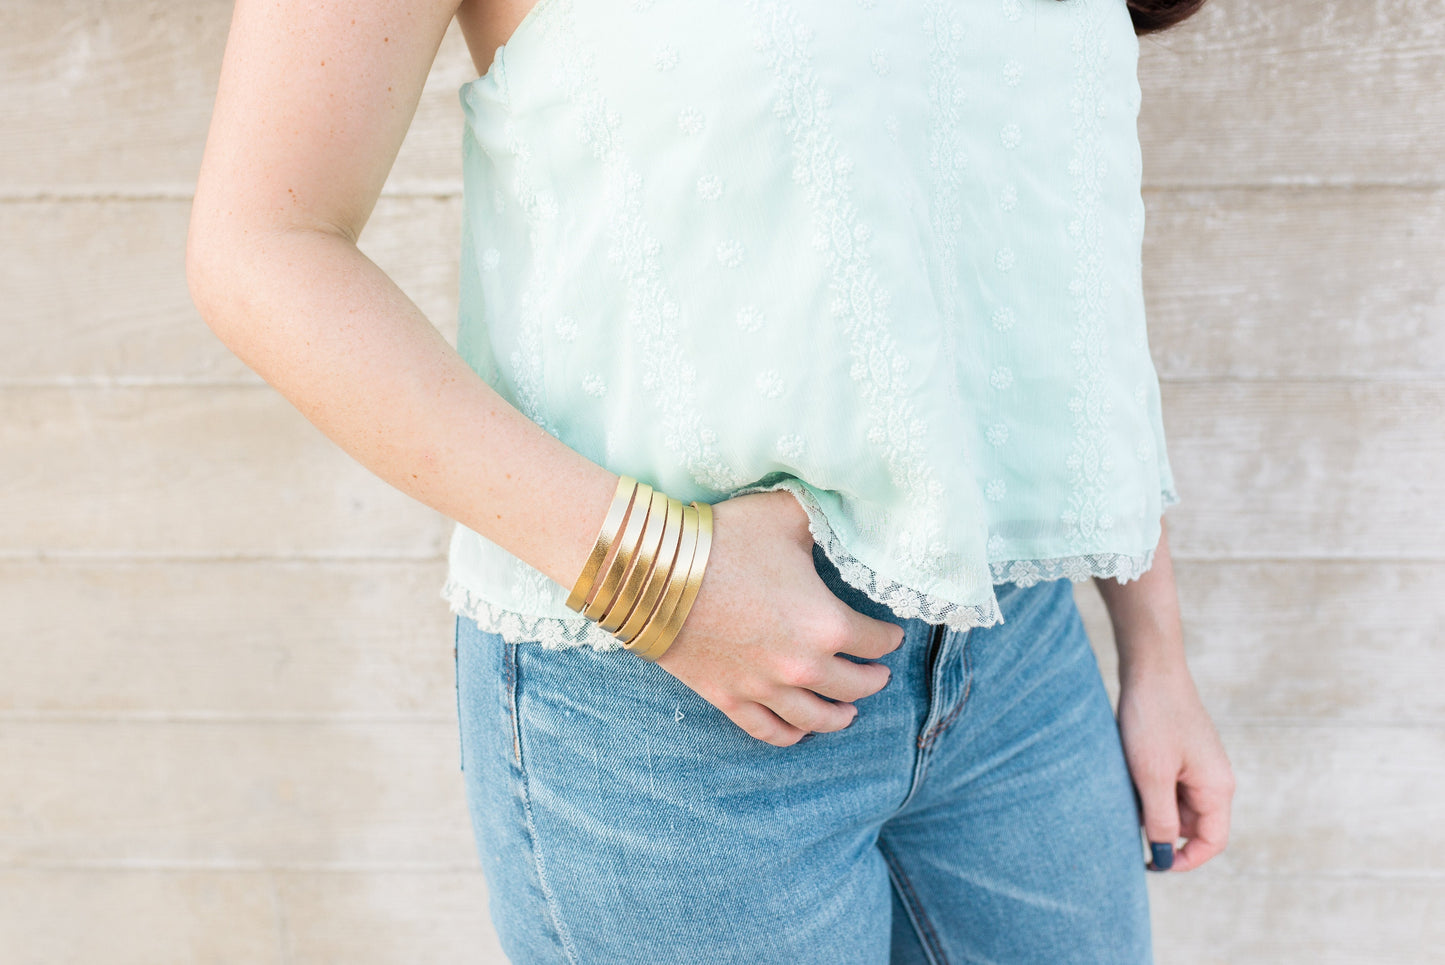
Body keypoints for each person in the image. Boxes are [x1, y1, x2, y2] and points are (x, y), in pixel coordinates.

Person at [188, 0, 1234, 961]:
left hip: (1019, 658)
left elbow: (1040, 250)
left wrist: (1155, 649)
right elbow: (261, 245)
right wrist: (667, 579)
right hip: (668, 713)